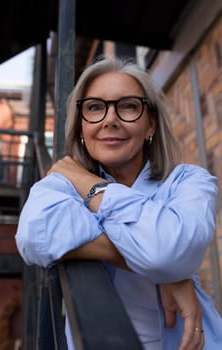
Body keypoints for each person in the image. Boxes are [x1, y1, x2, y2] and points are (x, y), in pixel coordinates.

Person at [15, 57, 222, 350]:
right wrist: (161, 270)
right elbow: (34, 235)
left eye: (127, 106)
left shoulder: (189, 182)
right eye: (95, 107)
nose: (110, 119)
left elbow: (169, 250)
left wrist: (91, 186)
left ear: (150, 123)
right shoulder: (61, 186)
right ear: (82, 126)